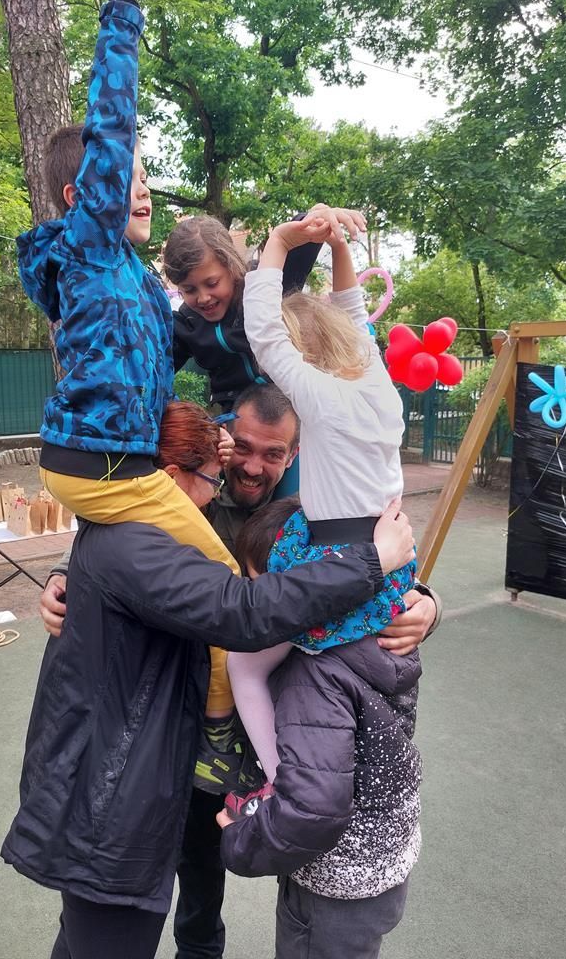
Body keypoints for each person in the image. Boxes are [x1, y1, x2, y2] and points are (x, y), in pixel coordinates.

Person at [39, 384, 439, 959]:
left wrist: (426, 602)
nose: (253, 466)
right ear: (225, 445)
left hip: (250, 749)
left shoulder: (310, 511)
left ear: (294, 454)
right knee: (131, 884)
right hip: (170, 730)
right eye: (243, 448)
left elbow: (371, 580)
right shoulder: (195, 500)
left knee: (209, 881)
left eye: (273, 454)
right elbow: (134, 530)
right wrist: (62, 573)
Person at [17, 0, 239, 582]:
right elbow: (111, 129)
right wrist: (123, 1)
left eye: (145, 180)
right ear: (86, 197)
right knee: (222, 577)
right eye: (128, 180)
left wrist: (219, 429)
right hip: (100, 464)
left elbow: (155, 379)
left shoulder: (132, 281)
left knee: (151, 574)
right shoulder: (88, 251)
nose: (142, 191)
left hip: (116, 461)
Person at [225, 205, 417, 809]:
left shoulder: (315, 393)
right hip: (390, 558)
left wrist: (280, 243)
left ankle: (278, 774)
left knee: (245, 667)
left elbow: (262, 330)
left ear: (297, 351)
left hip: (339, 562)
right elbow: (354, 312)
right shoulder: (378, 384)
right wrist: (337, 246)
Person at [219, 498, 426, 959]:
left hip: (334, 884)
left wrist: (241, 837)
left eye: (262, 588)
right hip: (383, 860)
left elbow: (313, 809)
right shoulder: (379, 628)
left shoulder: (312, 672)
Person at [165, 215, 322, 415]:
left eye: (212, 284)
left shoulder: (260, 290)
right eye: (189, 290)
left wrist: (313, 218)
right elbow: (152, 364)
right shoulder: (187, 325)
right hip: (236, 415)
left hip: (290, 404)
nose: (203, 298)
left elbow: (296, 248)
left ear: (231, 266)